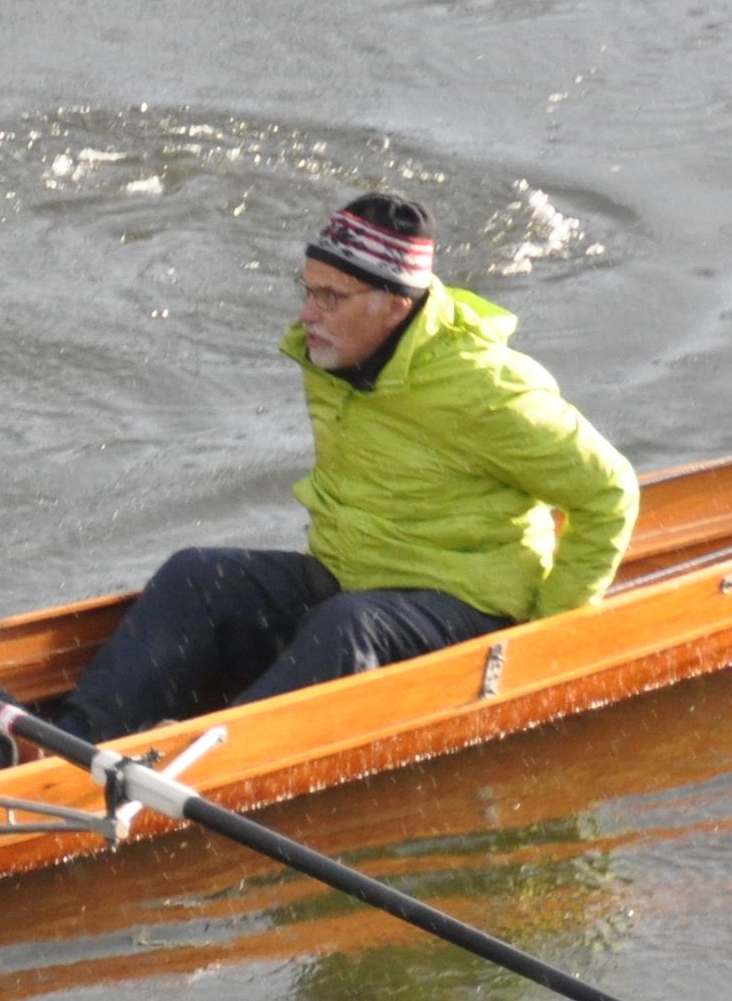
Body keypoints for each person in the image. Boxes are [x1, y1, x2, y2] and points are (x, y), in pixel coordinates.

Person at [49, 192, 640, 742]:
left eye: (330, 297)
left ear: (395, 305)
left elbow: (609, 494)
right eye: (307, 290)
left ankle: (207, 760)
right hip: (350, 578)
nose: (308, 314)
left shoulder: (487, 388)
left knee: (347, 625)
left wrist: (548, 635)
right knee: (196, 576)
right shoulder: (334, 355)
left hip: (468, 609)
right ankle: (70, 742)